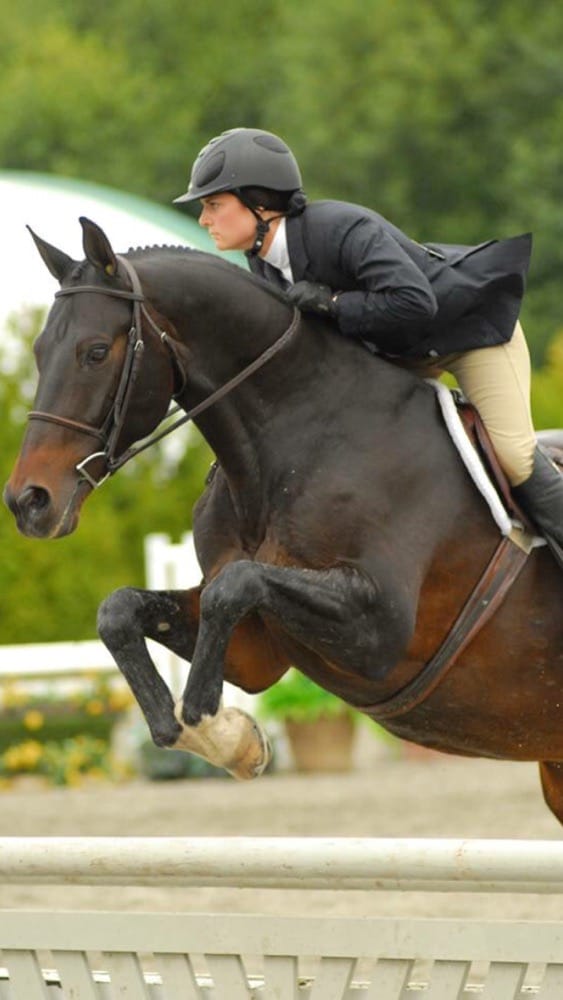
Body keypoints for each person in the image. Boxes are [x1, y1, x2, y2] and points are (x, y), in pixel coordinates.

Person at [174, 127, 563, 555]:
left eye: (213, 204)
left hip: (470, 335)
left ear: (259, 203)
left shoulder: (341, 228)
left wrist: (335, 302)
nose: (204, 219)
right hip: (402, 351)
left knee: (513, 455)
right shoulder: (263, 263)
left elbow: (416, 303)